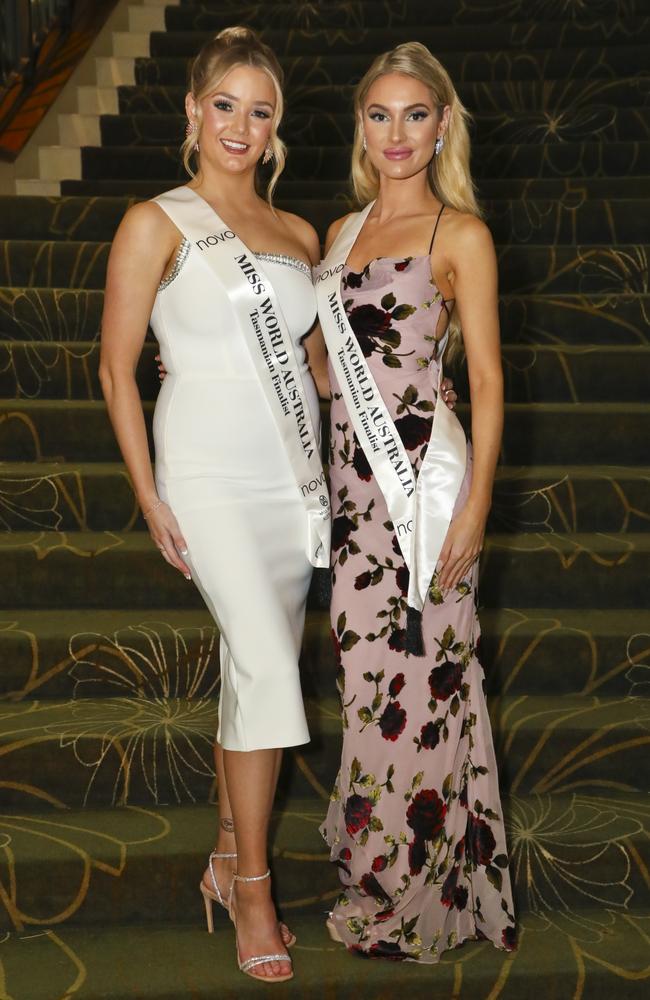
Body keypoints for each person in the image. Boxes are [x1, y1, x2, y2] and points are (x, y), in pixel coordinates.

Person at [99, 26, 333, 984]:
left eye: (261, 109)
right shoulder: (156, 221)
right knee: (273, 665)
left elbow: (316, 371)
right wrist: (147, 491)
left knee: (255, 667)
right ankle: (251, 888)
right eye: (225, 104)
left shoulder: (299, 236)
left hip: (291, 481)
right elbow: (116, 369)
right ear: (193, 111)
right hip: (204, 473)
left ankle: (218, 855)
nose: (242, 124)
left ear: (278, 130)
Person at [314, 42, 516, 961]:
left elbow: (486, 379)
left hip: (426, 499)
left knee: (427, 687)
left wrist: (474, 512)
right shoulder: (339, 235)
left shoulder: (460, 235)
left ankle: (428, 895)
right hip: (355, 505)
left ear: (443, 127)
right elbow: (325, 371)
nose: (397, 134)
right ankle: (379, 872)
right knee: (367, 689)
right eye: (380, 115)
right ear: (363, 125)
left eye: (416, 115)